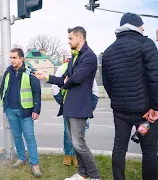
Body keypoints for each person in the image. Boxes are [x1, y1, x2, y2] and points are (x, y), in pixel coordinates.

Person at [34, 26, 101, 180]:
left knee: (79, 144)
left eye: (71, 38)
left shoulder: (89, 56)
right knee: (74, 142)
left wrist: (67, 80)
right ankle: (83, 174)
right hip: (69, 106)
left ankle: (95, 176)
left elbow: (76, 78)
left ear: (80, 38)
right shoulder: (74, 58)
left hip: (80, 106)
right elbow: (63, 79)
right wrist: (46, 75)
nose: (68, 41)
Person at [102, 12, 158, 180]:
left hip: (120, 111)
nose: (144, 28)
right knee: (149, 151)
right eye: (142, 25)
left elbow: (107, 83)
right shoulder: (146, 44)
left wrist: (118, 99)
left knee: (119, 148)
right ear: (136, 26)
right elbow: (155, 78)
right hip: (145, 112)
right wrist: (156, 107)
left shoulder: (108, 51)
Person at [0, 48, 42, 177]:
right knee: (17, 136)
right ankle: (21, 158)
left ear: (21, 59)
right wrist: (5, 106)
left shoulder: (30, 72)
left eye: (14, 58)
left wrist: (36, 110)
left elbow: (36, 92)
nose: (12, 60)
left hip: (26, 111)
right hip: (11, 110)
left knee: (29, 137)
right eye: (11, 58)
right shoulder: (7, 72)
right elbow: (2, 89)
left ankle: (34, 164)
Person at [52, 57, 99, 167]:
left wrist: (91, 106)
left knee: (79, 134)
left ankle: (78, 157)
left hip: (82, 108)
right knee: (68, 133)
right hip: (68, 107)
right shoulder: (62, 68)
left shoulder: (86, 68)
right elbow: (55, 89)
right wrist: (64, 104)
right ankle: (68, 154)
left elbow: (94, 89)